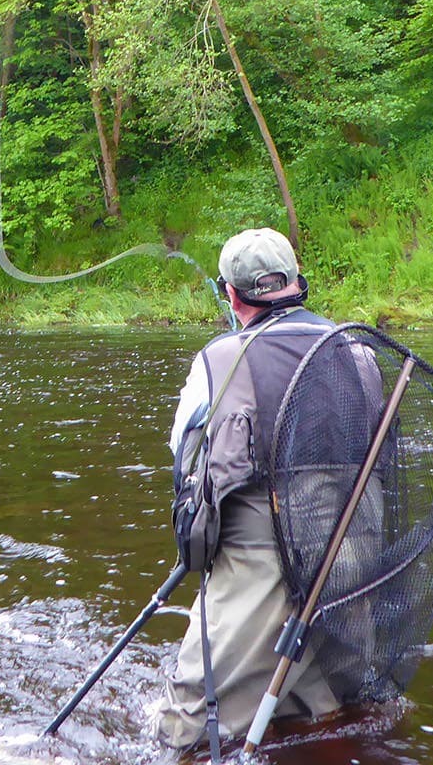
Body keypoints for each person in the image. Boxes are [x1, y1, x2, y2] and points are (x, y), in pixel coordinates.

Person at [147, 227, 346, 749]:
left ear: (232, 295)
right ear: (298, 283)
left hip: (262, 560)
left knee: (182, 733)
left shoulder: (218, 360)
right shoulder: (355, 347)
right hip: (354, 560)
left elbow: (185, 456)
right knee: (321, 719)